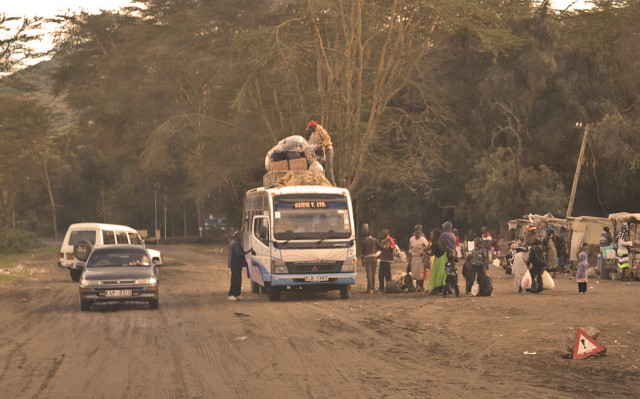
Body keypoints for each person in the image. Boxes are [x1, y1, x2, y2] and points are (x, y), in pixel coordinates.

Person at [306, 120, 336, 186]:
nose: (310, 129)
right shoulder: (314, 133)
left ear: (313, 126)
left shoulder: (320, 130)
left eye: (311, 128)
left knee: (329, 167)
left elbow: (327, 139)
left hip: (327, 149)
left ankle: (332, 183)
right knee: (323, 168)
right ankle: (324, 182)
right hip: (322, 152)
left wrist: (322, 146)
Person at [408, 225, 430, 291]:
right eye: (416, 231)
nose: (417, 232)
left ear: (420, 232)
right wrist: (410, 259)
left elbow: (427, 248)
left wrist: (424, 254)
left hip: (421, 258)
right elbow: (410, 249)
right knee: (415, 273)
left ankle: (421, 286)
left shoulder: (423, 239)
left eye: (419, 231)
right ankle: (417, 286)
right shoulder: (411, 239)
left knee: (421, 272)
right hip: (414, 258)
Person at [228, 230, 248, 301]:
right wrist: (245, 253)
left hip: (235, 264)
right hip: (235, 264)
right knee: (235, 280)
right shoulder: (236, 243)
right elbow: (238, 253)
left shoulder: (232, 242)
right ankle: (231, 294)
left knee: (238, 279)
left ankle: (237, 294)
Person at [426, 228, 447, 294]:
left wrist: (426, 253)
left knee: (436, 274)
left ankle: (436, 289)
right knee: (442, 274)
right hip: (444, 257)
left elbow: (432, 253)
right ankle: (442, 288)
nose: (430, 236)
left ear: (435, 235)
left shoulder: (435, 242)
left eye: (432, 234)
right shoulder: (442, 240)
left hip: (438, 259)